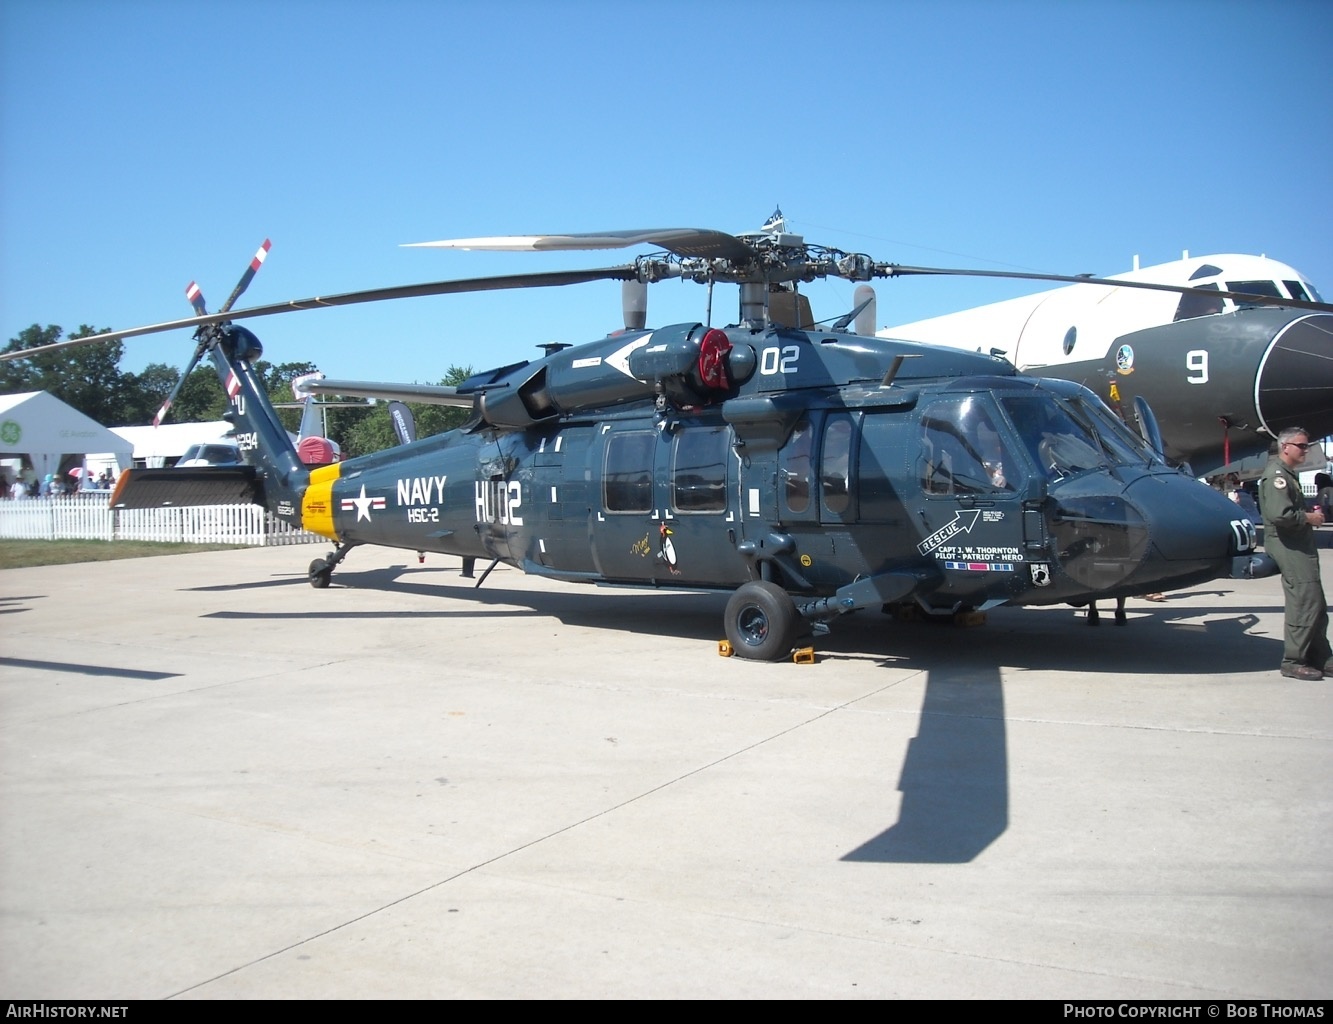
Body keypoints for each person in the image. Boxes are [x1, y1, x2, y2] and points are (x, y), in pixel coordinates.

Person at [1258, 427, 1330, 680]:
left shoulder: (1288, 475)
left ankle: (1322, 657)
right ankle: (1293, 660)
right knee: (1305, 602)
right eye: (1301, 446)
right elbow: (1280, 515)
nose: (1306, 450)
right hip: (1288, 544)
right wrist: (1309, 517)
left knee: (1316, 603)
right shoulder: (1277, 476)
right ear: (1285, 447)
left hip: (1298, 544)